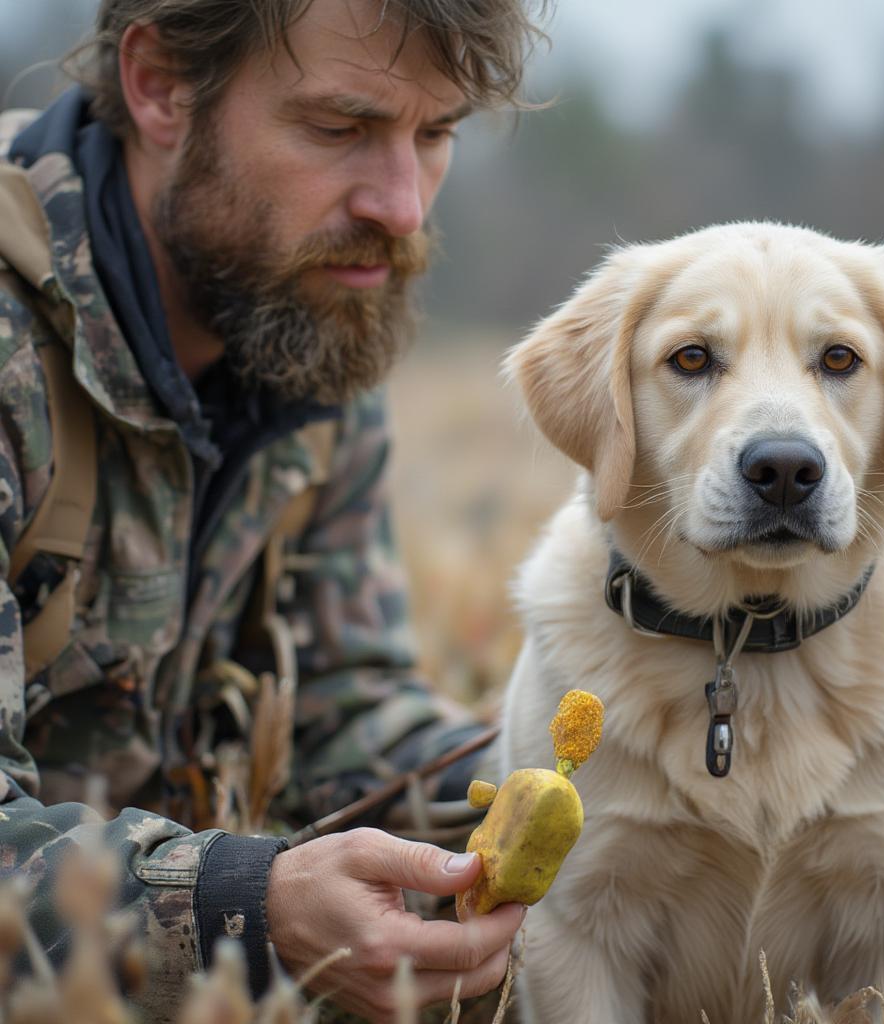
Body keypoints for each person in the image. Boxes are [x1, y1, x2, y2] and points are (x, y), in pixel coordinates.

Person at [0, 0, 546, 1020]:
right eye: (340, 128)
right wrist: (248, 911)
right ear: (159, 85)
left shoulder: (303, 316)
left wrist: (591, 793)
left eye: (436, 135)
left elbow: (337, 711)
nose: (401, 206)